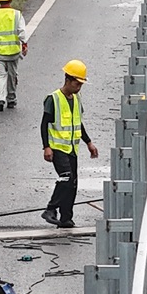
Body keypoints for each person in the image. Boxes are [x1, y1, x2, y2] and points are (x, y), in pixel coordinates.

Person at [40, 60, 99, 227]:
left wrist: (88, 142)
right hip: (57, 148)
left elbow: (78, 122)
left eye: (81, 84)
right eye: (76, 83)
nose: (79, 87)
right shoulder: (53, 99)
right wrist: (46, 147)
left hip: (72, 148)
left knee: (72, 184)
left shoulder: (77, 98)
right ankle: (51, 209)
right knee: (66, 178)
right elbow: (44, 124)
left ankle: (66, 217)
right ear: (68, 80)